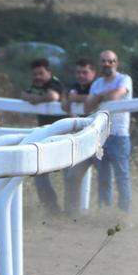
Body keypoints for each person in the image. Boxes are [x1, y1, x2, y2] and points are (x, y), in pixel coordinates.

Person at [84, 50, 134, 213]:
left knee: (122, 176)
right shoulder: (97, 83)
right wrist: (101, 96)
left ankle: (124, 213)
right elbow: (87, 107)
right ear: (100, 63)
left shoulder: (124, 79)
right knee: (103, 178)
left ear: (116, 63)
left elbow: (116, 96)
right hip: (100, 136)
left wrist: (98, 97)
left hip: (119, 135)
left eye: (111, 61)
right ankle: (104, 212)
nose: (107, 64)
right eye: (104, 61)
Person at [21, 57, 65, 215]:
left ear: (49, 72)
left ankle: (69, 209)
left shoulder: (54, 83)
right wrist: (34, 98)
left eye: (41, 73)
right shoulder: (36, 85)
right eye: (35, 74)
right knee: (39, 171)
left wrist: (36, 100)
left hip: (62, 136)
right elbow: (23, 94)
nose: (37, 77)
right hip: (44, 136)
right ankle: (51, 208)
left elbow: (54, 96)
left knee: (70, 174)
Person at [62, 58, 97, 216]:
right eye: (78, 72)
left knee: (105, 179)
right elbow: (64, 101)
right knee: (72, 177)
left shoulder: (98, 85)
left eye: (85, 72)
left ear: (93, 73)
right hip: (81, 141)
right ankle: (72, 212)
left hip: (100, 140)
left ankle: (106, 213)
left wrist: (75, 98)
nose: (81, 75)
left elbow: (98, 97)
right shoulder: (74, 87)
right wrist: (66, 98)